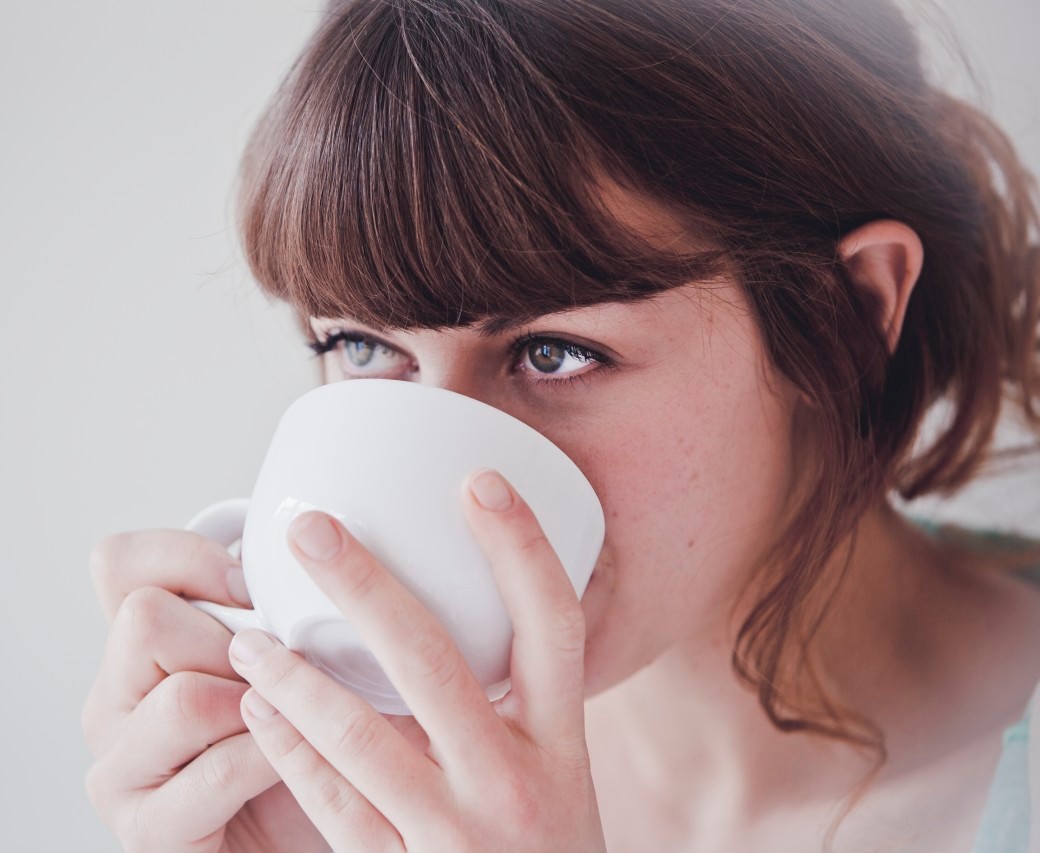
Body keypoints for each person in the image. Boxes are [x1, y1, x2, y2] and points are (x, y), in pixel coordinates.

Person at [80, 0, 1040, 850]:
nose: (457, 499)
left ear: (845, 314)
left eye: (554, 353)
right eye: (366, 347)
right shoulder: (376, 798)